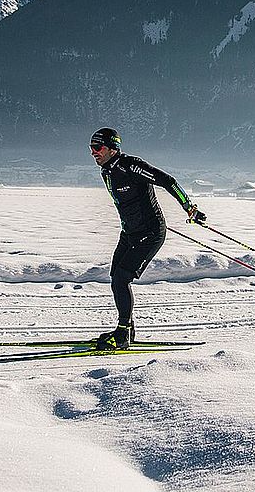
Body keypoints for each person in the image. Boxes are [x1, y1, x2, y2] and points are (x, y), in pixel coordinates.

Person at [89, 127, 206, 349]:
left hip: (150, 233)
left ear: (113, 148)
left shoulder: (131, 165)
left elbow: (167, 181)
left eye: (98, 147)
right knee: (116, 279)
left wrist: (189, 207)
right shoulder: (106, 171)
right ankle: (127, 330)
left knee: (122, 278)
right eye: (91, 148)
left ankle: (123, 334)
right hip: (129, 233)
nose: (93, 152)